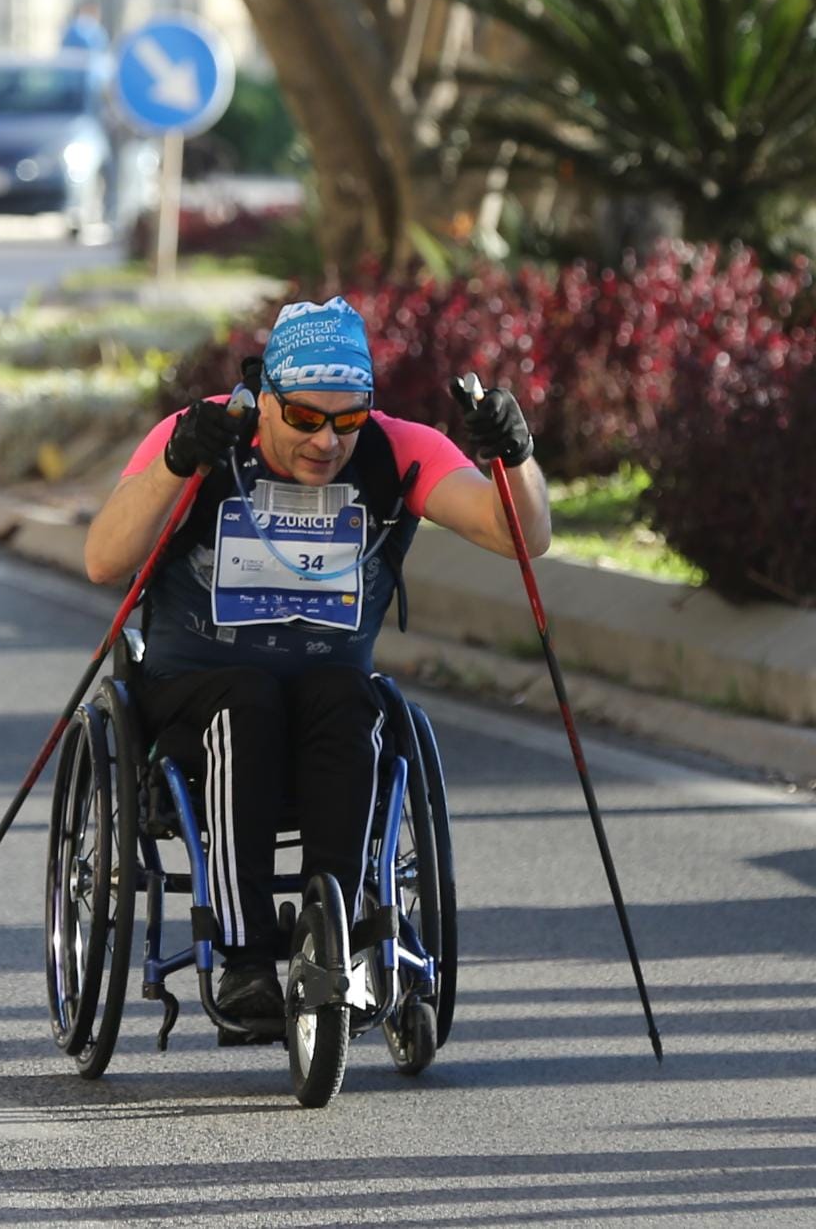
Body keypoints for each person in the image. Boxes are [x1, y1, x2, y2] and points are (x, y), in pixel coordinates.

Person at [83, 296, 550, 1034]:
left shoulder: (400, 449)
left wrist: (513, 458)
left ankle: (342, 940)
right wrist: (177, 465)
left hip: (324, 688)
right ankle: (243, 955)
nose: (326, 441)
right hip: (197, 690)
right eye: (303, 418)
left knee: (352, 699)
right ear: (264, 399)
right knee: (248, 698)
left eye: (347, 420)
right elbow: (104, 558)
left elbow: (521, 537)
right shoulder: (201, 433)